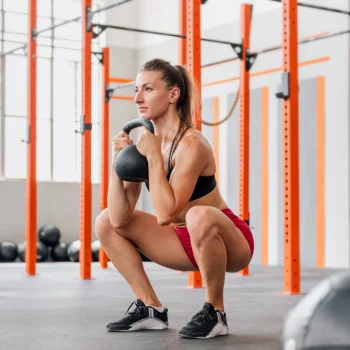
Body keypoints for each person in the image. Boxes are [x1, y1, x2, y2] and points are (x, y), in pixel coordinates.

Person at [95, 58, 254, 339]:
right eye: (136, 89)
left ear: (173, 95)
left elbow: (166, 213)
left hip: (229, 243)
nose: (137, 98)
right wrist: (117, 163)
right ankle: (150, 308)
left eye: (147, 89)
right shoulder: (148, 146)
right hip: (182, 241)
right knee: (105, 220)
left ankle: (215, 311)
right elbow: (120, 218)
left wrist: (155, 157)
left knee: (198, 214)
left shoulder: (193, 144)